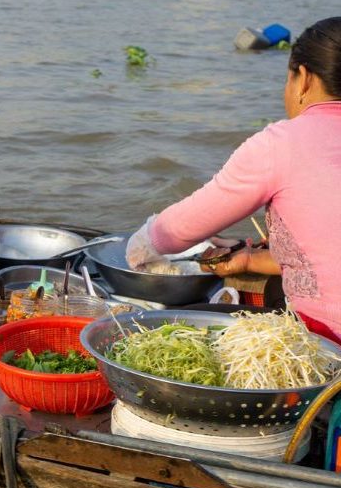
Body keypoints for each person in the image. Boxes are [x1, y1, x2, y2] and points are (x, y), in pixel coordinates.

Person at [125, 17, 341, 344]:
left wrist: (138, 247)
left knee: (157, 334)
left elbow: (175, 231)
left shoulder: (281, 143)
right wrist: (250, 259)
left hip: (327, 341)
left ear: (305, 79)